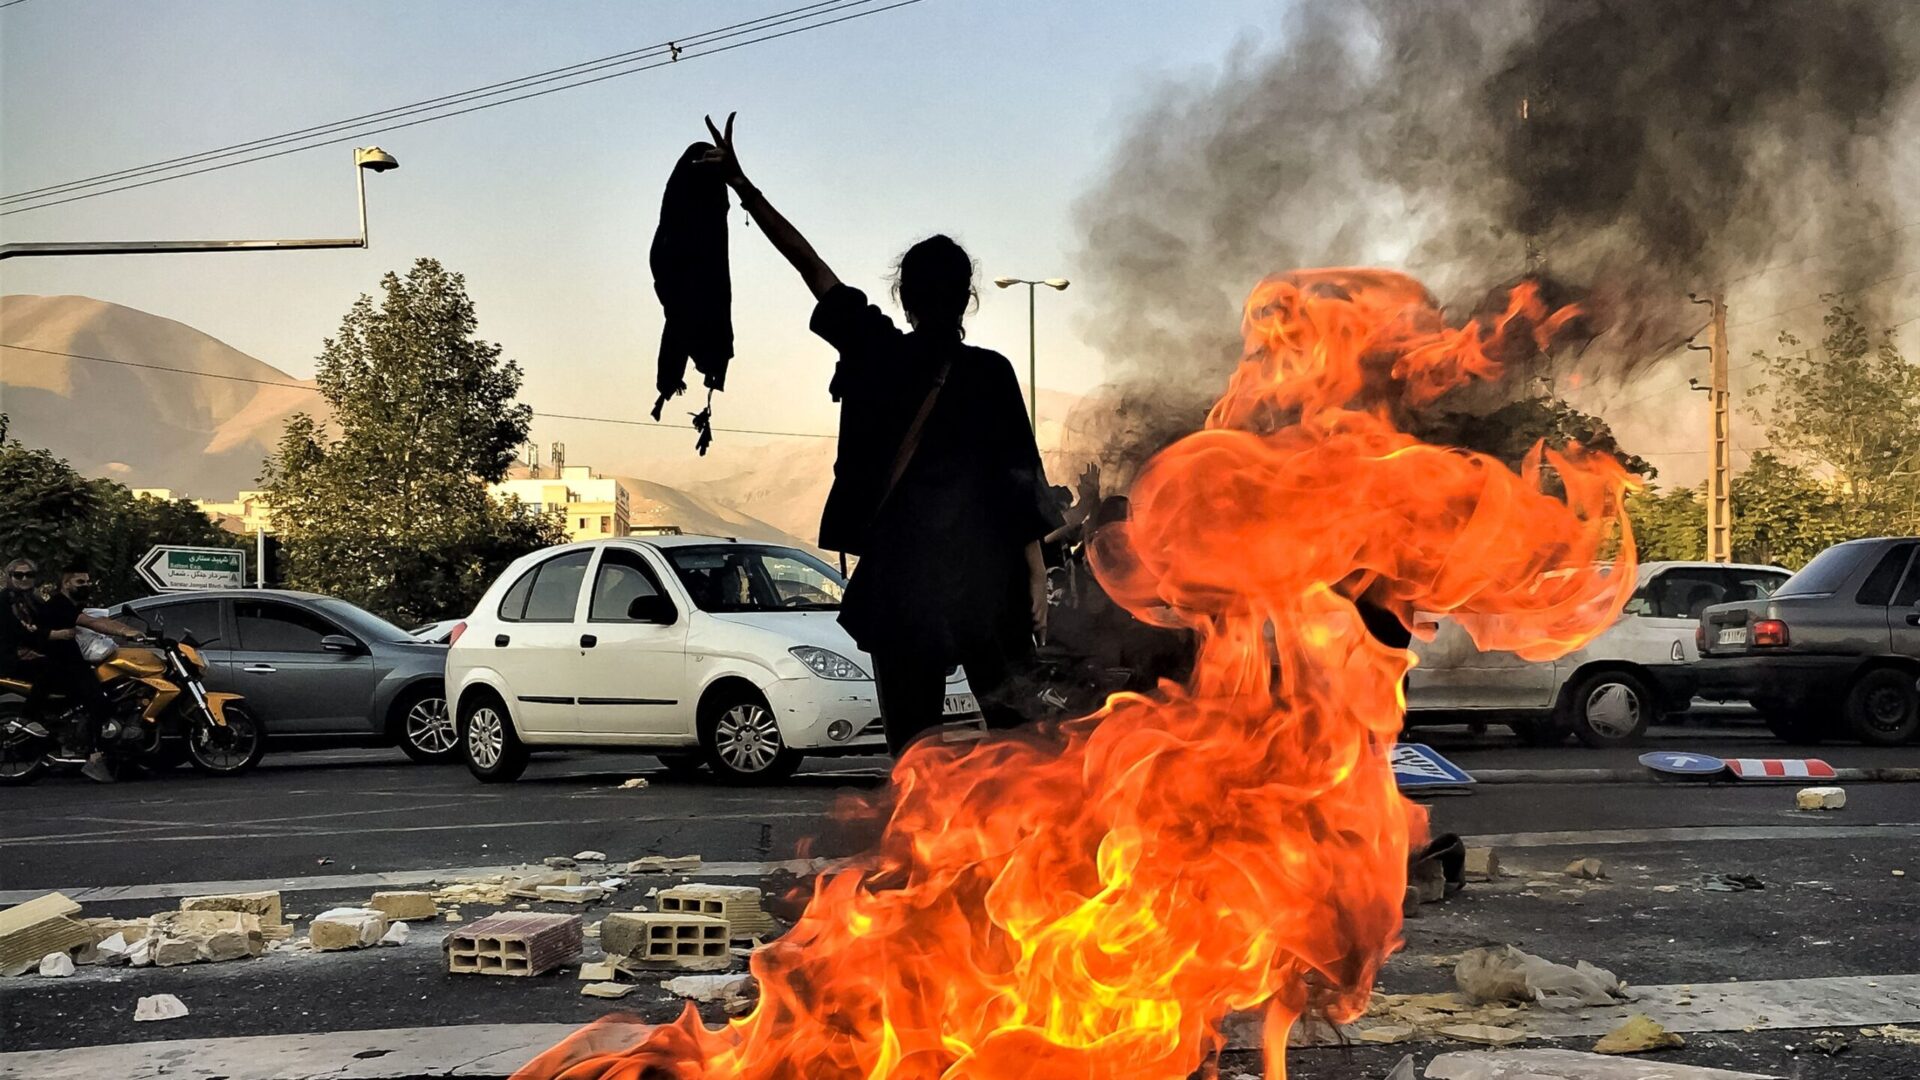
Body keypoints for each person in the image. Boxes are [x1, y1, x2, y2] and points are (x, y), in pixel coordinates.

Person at [697, 113, 1054, 753]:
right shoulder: (991, 372)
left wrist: (742, 187)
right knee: (1019, 748)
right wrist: (1036, 580)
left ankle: (920, 846)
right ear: (968, 297)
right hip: (987, 580)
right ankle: (1022, 850)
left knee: (915, 752)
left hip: (904, 582)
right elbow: (1020, 482)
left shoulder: (874, 350)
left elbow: (810, 267)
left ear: (903, 294)